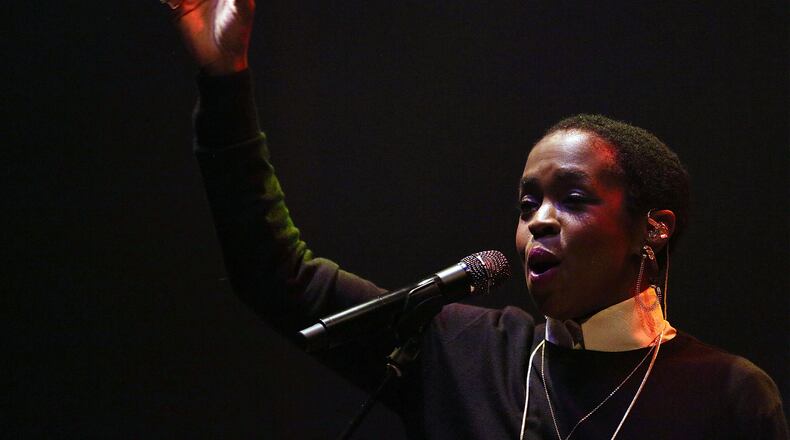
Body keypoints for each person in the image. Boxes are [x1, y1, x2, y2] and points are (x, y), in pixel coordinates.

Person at [168, 1, 788, 438]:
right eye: (527, 205)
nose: (539, 222)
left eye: (572, 199)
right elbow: (277, 276)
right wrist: (226, 82)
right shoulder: (461, 349)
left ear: (654, 227)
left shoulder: (727, 395)